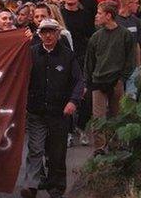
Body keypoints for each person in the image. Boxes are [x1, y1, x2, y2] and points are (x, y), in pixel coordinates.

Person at [21, 19, 84, 198]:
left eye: (51, 32)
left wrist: (73, 101)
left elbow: (79, 80)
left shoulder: (67, 55)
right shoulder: (31, 53)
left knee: (57, 152)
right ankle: (31, 185)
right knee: (35, 148)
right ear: (39, 34)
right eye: (44, 32)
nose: (47, 35)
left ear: (58, 33)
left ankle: (57, 187)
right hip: (36, 110)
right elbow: (21, 78)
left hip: (59, 112)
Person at [85, 0, 135, 156]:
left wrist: (122, 78)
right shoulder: (96, 37)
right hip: (98, 81)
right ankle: (99, 148)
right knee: (98, 117)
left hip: (117, 80)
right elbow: (89, 61)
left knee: (116, 115)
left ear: (108, 15)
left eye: (99, 13)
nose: (96, 16)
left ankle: (116, 145)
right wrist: (90, 82)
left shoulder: (125, 34)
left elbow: (130, 59)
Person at [115, 0, 141, 98]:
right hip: (117, 66)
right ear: (129, 4)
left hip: (132, 65)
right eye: (136, 3)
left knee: (131, 96)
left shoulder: (136, 21)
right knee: (117, 97)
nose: (138, 5)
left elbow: (137, 45)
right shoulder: (115, 20)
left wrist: (138, 66)